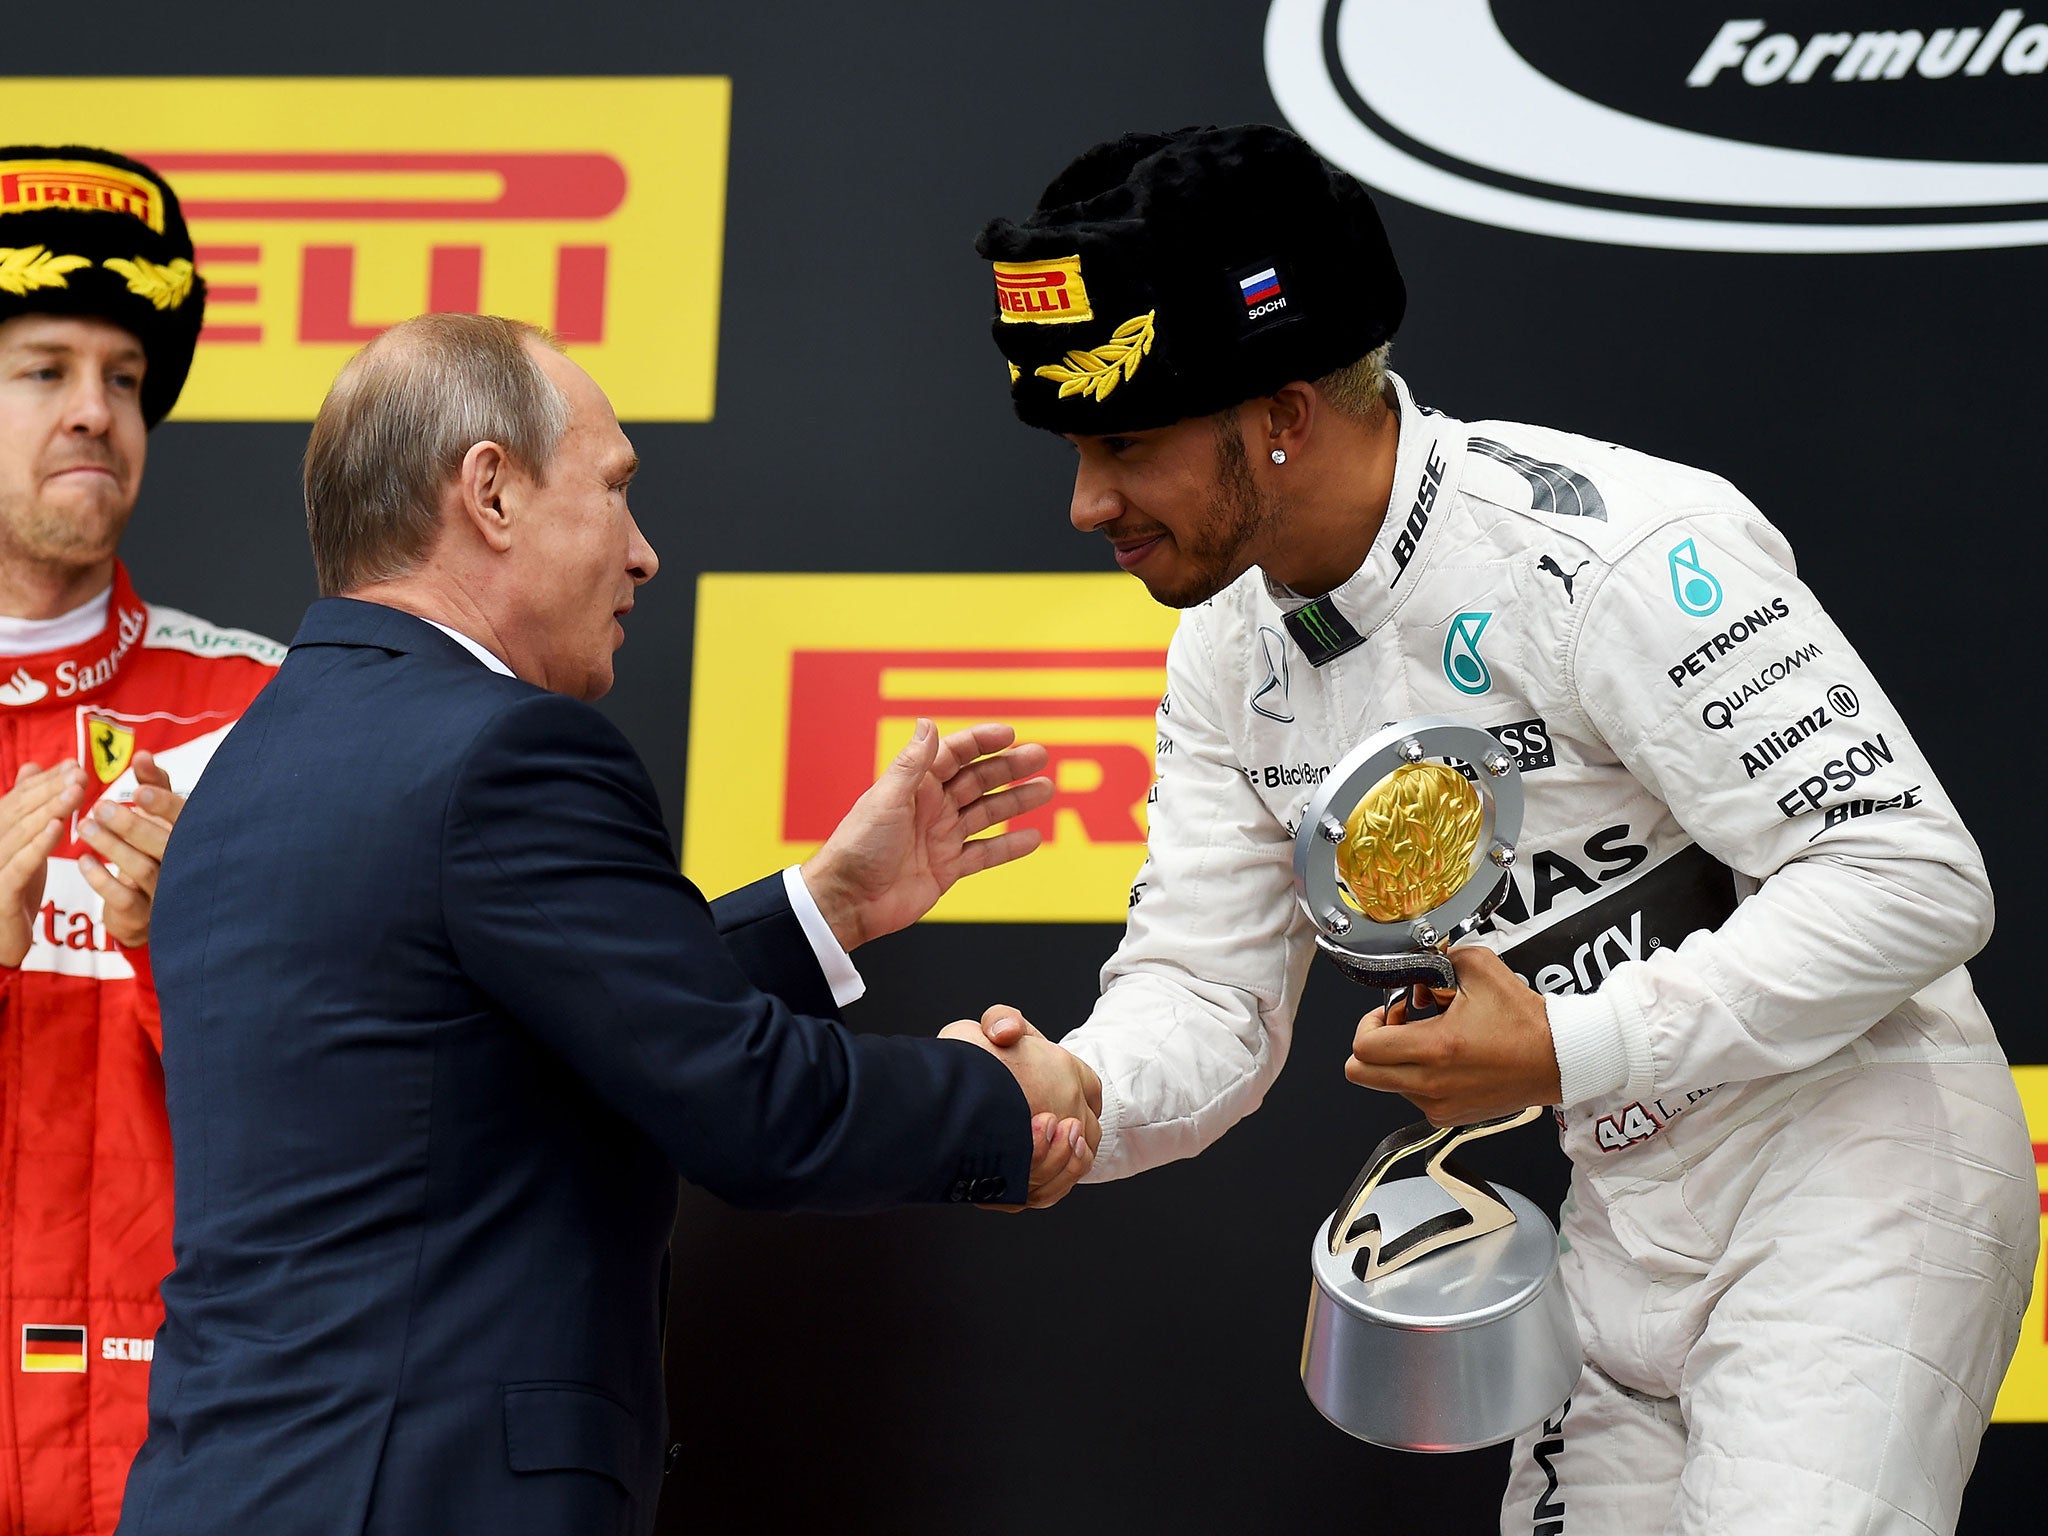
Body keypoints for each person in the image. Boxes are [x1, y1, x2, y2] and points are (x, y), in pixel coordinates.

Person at [969, 124, 2038, 1533]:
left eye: (1125, 443)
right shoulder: (1229, 652)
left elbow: (1908, 874)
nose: (1086, 502)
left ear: (1283, 414)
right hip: (1616, 1206)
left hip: (1854, 1170)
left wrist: (1562, 1046)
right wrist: (1082, 1094)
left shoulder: (1609, 550)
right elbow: (1205, 995)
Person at [115, 313, 1098, 1536]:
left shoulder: (242, 773)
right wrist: (1003, 1105)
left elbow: (511, 1039)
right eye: (616, 489)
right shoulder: (504, 752)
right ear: (491, 493)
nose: (642, 553)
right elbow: (745, 1108)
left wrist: (826, 906)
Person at [0, 145, 286, 1536]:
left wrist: (203, 953)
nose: (95, 414)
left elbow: (375, 1080)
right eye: (43, 369)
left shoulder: (266, 707)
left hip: (186, 1454)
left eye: (124, 378)